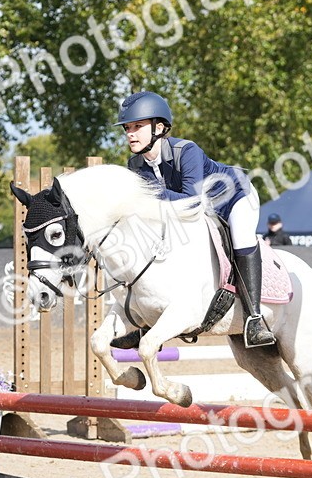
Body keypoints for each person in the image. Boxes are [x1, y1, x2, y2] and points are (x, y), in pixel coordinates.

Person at [114, 90, 275, 348]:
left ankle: (254, 319)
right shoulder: (135, 165)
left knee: (241, 238)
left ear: (159, 127)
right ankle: (144, 322)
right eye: (127, 128)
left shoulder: (186, 150)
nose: (130, 134)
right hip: (199, 209)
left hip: (233, 196)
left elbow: (191, 200)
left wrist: (146, 192)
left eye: (137, 126)